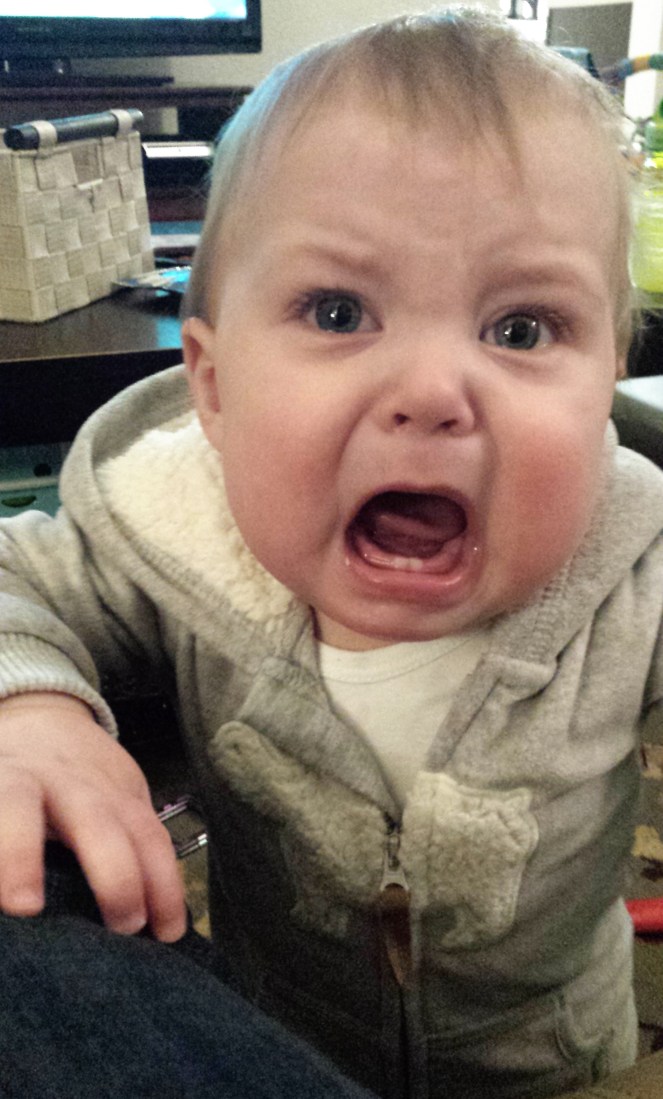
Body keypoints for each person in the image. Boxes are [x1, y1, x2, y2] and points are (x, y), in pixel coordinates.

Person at [0, 5, 655, 1097]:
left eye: (521, 329)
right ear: (214, 388)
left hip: (554, 1066)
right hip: (267, 1044)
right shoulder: (170, 528)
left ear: (605, 391)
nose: (431, 392)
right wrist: (27, 710)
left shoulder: (635, 567)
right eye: (341, 312)